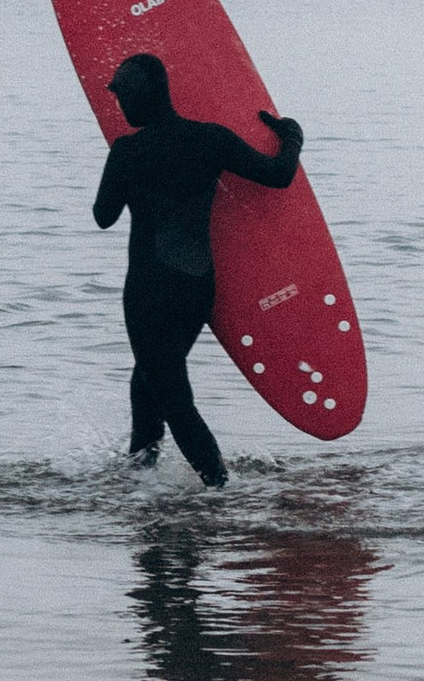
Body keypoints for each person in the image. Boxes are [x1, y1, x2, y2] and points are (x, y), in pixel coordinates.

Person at [94, 53, 303, 487]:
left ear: (139, 99)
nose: (119, 107)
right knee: (147, 383)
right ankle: (140, 480)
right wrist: (292, 136)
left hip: (149, 291)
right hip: (196, 286)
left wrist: (122, 167)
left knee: (173, 399)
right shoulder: (211, 139)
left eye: (122, 97)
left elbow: (103, 215)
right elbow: (279, 175)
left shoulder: (128, 150)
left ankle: (220, 491)